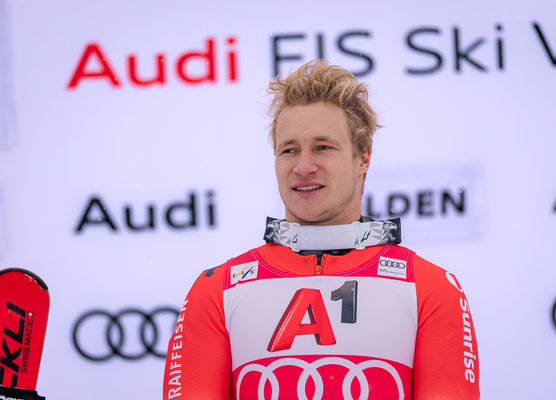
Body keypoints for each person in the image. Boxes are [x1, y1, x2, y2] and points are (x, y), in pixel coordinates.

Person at [163, 60, 480, 400]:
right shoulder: (217, 290)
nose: (303, 167)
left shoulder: (430, 288)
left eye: (323, 147)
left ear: (363, 158)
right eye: (289, 150)